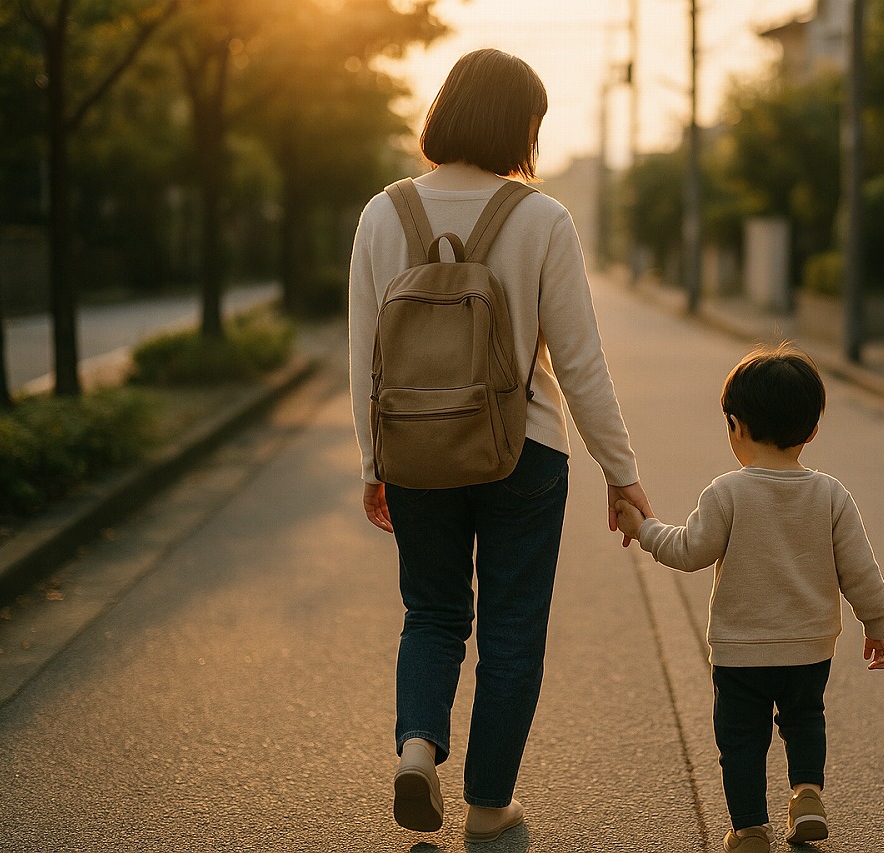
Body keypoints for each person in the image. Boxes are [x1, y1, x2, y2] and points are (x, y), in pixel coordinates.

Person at [348, 48, 651, 843]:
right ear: (522, 126)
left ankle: (418, 745)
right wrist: (623, 473)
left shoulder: (384, 214)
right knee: (513, 628)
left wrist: (374, 462)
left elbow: (362, 356)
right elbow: (579, 364)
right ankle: (487, 804)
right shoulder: (542, 219)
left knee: (433, 612)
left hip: (416, 451)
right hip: (525, 450)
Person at [615, 343, 884, 853]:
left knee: (742, 742)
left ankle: (748, 830)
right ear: (811, 431)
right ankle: (807, 794)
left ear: (736, 427)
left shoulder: (726, 493)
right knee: (805, 719)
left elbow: (688, 551)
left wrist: (645, 527)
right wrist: (877, 624)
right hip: (809, 649)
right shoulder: (831, 494)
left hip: (742, 652)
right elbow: (861, 570)